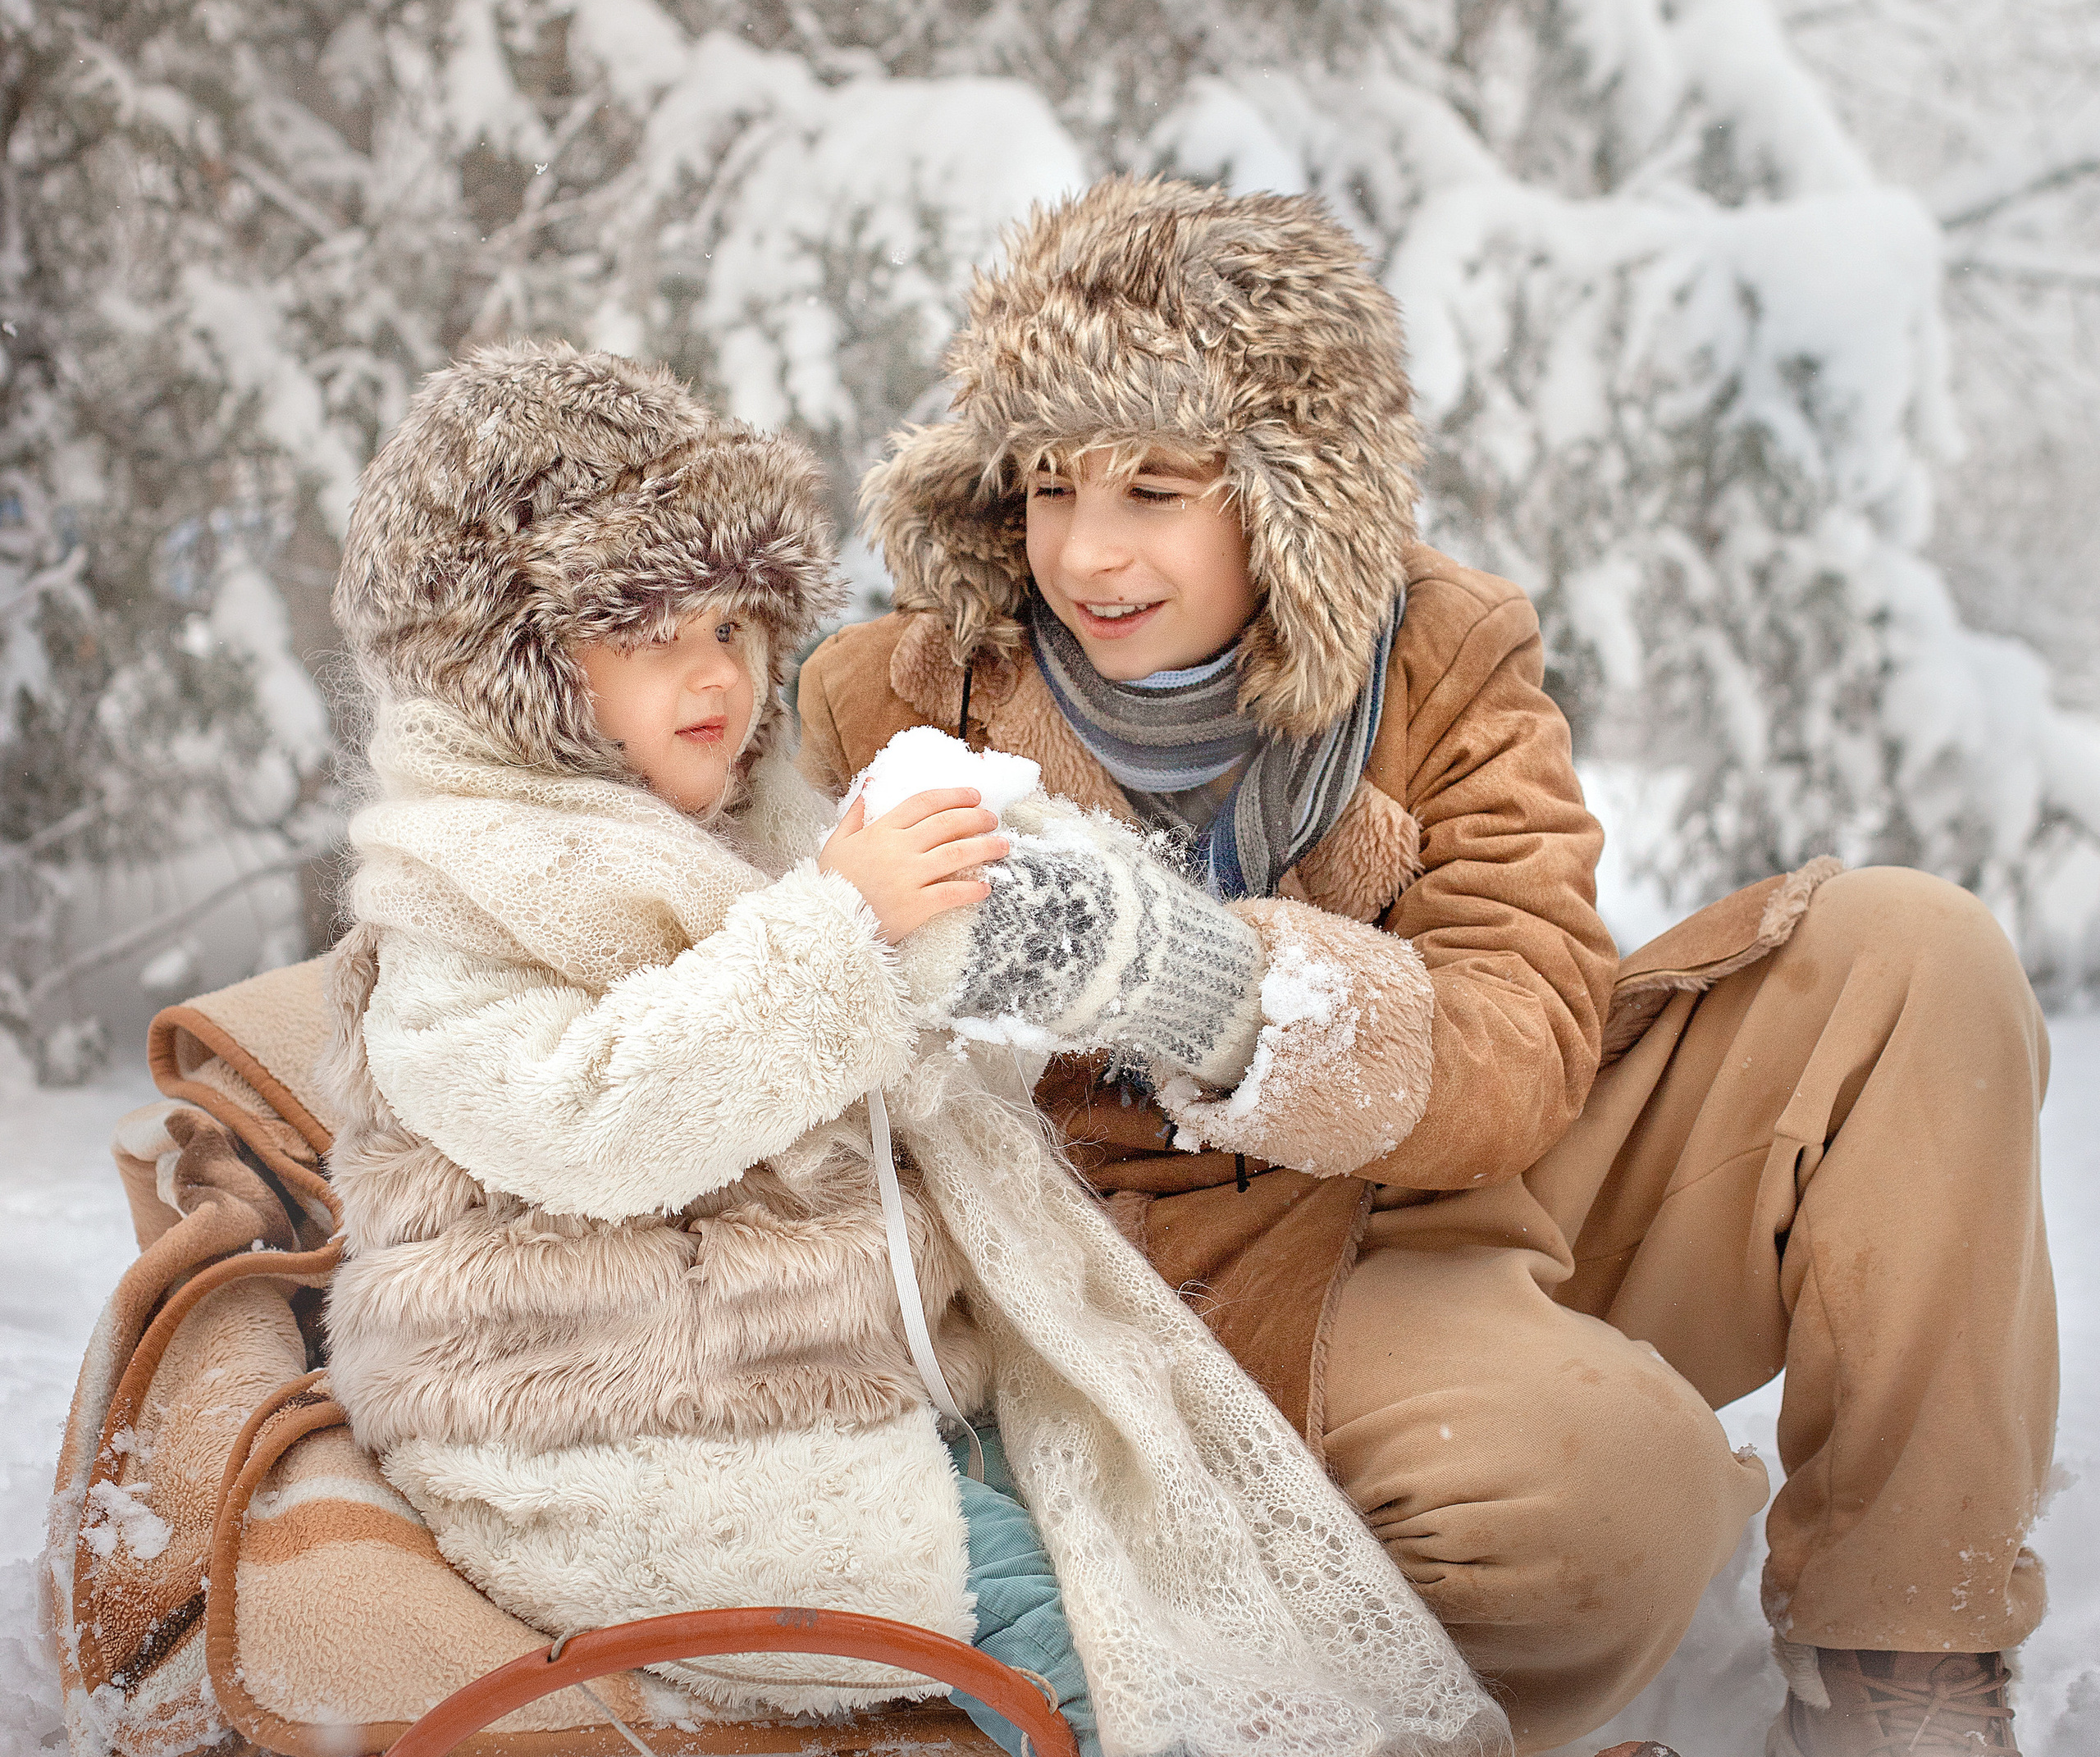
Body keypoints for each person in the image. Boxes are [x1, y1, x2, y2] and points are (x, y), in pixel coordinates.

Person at [795, 176, 2057, 1757]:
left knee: (1911, 953)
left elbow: (1526, 1032)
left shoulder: (1446, 648)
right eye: (1050, 485)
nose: (1088, 553)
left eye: (1157, 488)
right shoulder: (888, 698)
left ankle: (1905, 1658)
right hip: (1173, 1289)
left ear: (1292, 492)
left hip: (1450, 1172)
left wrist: (1210, 990)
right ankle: (1309, 1649)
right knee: (1612, 1504)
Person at [318, 338, 1504, 1757]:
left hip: (828, 1387)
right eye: (645, 633)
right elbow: (599, 1115)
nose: (715, 674)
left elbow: (889, 1094)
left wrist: (994, 939)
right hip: (612, 1428)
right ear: (508, 671)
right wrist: (846, 934)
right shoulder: (458, 902)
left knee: (1156, 1515)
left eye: (732, 624)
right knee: (1070, 1637)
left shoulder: (735, 833)